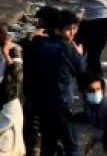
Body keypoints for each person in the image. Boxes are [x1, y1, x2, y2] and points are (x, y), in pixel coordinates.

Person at [30, 9, 86, 156]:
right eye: (68, 29)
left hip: (42, 100)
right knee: (71, 144)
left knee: (48, 142)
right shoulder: (67, 48)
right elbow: (82, 70)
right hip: (62, 101)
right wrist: (79, 54)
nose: (72, 33)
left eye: (74, 28)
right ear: (57, 30)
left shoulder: (40, 44)